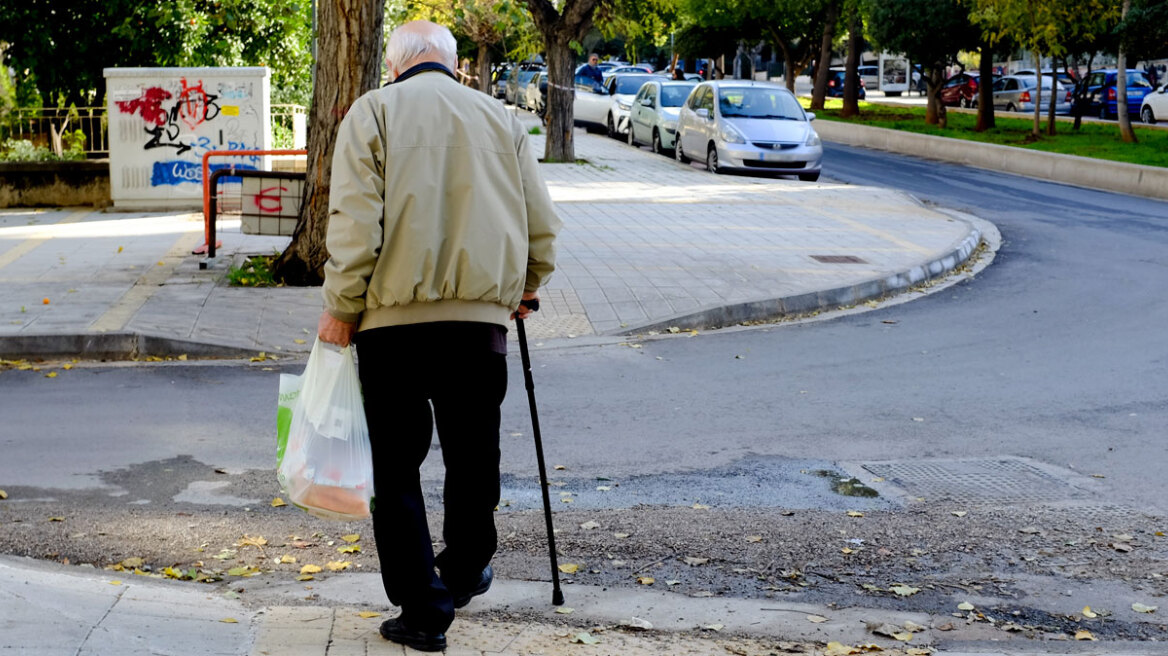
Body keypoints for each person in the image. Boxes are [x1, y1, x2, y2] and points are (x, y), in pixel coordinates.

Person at [317, 19, 561, 653]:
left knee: (395, 469)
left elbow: (354, 222)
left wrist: (341, 307)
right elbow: (540, 221)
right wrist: (526, 286)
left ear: (394, 65)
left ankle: (425, 612)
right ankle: (465, 567)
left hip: (390, 328)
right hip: (478, 327)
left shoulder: (373, 112)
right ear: (454, 64)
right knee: (473, 456)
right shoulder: (502, 119)